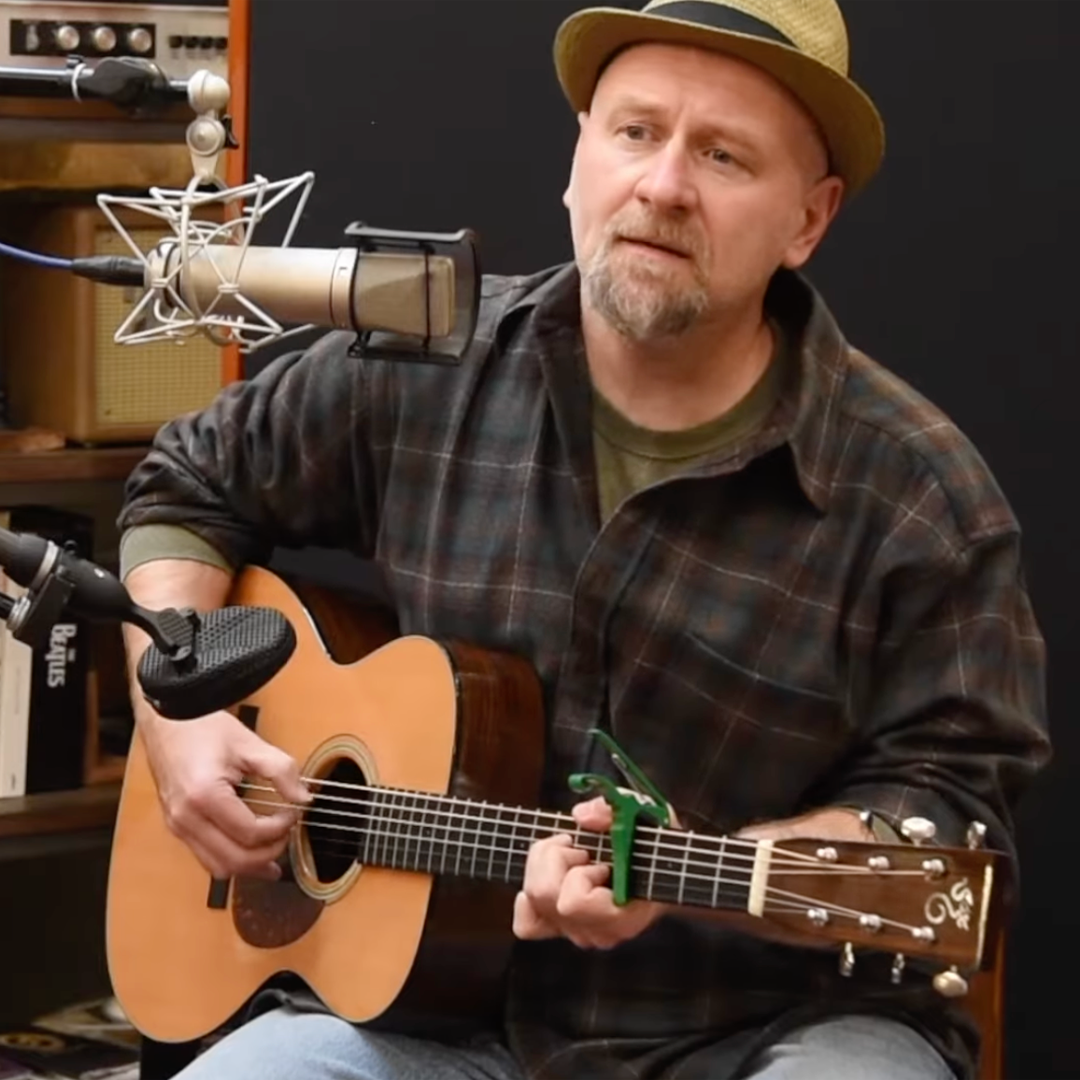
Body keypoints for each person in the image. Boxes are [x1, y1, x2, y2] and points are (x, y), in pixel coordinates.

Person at [115, 1, 1050, 1078]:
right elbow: (185, 485)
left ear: (809, 217)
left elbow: (948, 822)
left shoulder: (919, 497)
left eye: (725, 155)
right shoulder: (427, 368)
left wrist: (703, 873)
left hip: (766, 1030)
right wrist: (177, 713)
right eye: (635, 132)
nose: (662, 187)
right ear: (577, 161)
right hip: (431, 1031)